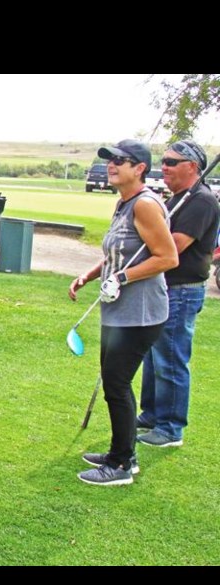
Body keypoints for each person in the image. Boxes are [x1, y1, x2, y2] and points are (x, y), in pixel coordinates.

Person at [69, 139, 178, 486]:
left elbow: (168, 257)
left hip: (140, 313)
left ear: (140, 168)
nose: (111, 165)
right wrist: (90, 275)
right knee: (117, 384)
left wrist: (122, 278)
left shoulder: (145, 206)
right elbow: (122, 253)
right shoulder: (124, 203)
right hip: (120, 310)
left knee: (116, 384)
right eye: (109, 160)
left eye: (120, 160)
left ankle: (121, 464)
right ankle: (122, 452)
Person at [137, 140, 220, 447]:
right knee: (151, 355)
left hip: (182, 291)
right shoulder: (177, 199)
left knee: (170, 357)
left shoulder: (200, 201)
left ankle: (171, 428)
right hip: (164, 288)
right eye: (164, 160)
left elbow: (173, 246)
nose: (165, 166)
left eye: (172, 161)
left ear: (192, 167)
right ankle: (152, 413)